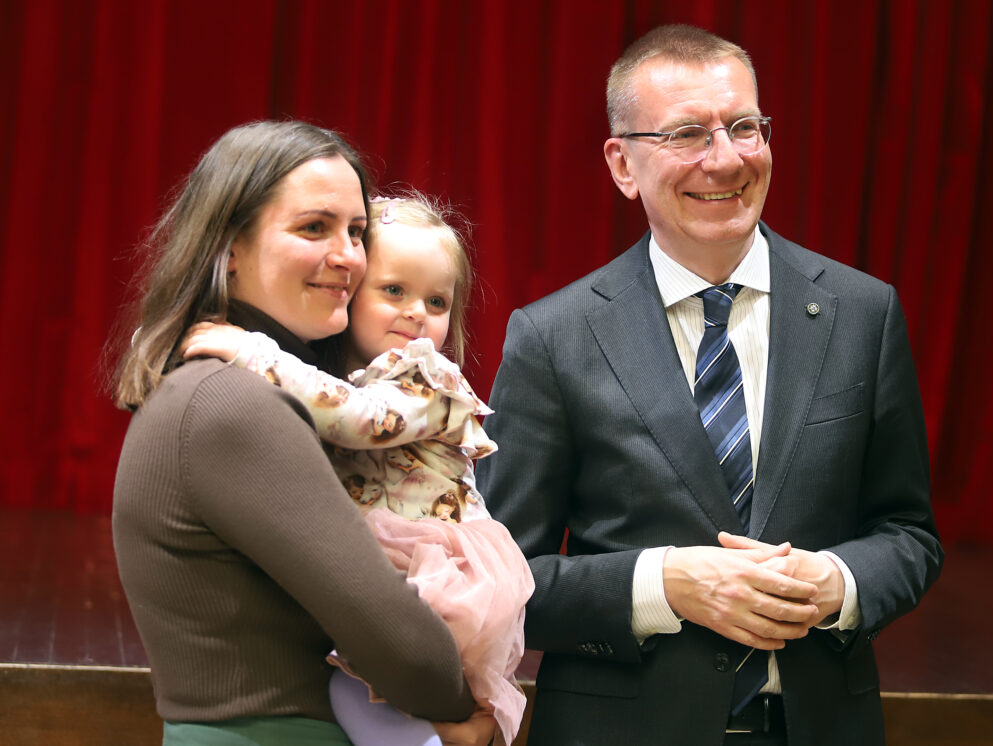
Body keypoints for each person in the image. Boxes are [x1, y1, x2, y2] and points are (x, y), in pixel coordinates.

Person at [476, 24, 943, 746]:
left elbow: (910, 535)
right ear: (622, 164)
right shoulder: (553, 337)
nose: (725, 159)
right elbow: (503, 580)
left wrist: (839, 583)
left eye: (744, 127)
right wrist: (662, 586)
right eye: (687, 134)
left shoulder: (863, 313)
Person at [111, 121, 493, 746]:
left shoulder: (218, 382)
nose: (347, 256)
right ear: (229, 247)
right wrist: (458, 713)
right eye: (314, 227)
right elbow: (402, 645)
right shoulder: (232, 400)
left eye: (357, 232)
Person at [180, 193, 533, 746]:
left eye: (437, 301)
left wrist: (249, 351)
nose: (416, 312)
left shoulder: (428, 379)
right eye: (394, 291)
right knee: (353, 694)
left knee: (354, 690)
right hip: (389, 563)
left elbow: (360, 419)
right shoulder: (344, 374)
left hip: (438, 570)